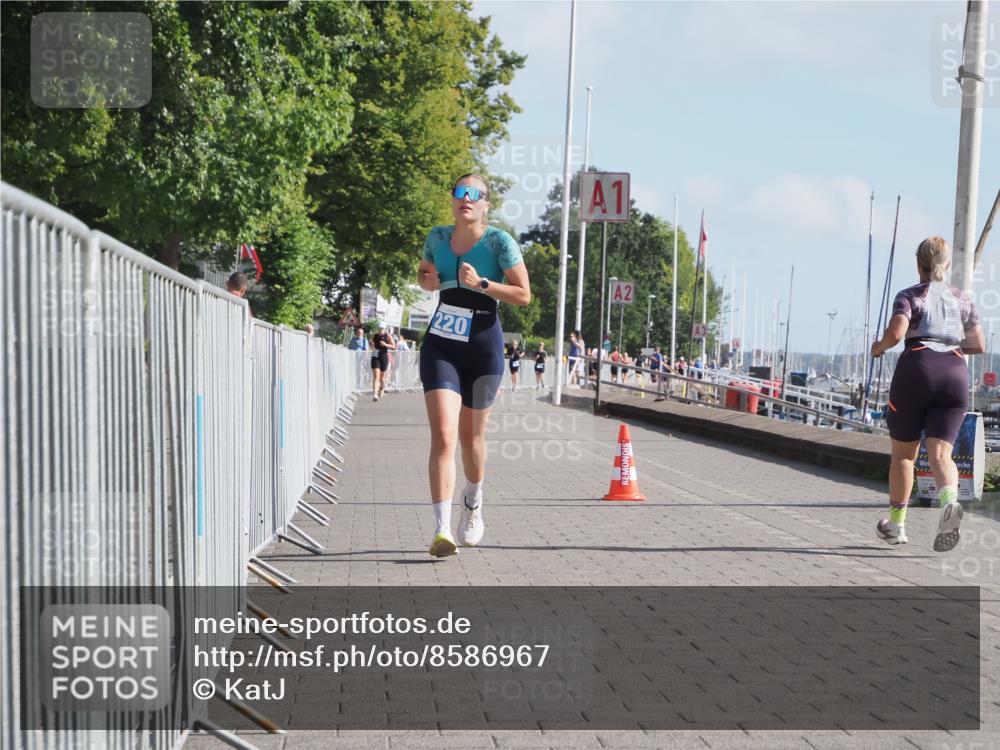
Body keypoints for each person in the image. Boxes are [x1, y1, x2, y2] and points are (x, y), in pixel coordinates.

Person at [416, 173, 531, 558]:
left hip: (483, 346)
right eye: (460, 192)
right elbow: (423, 273)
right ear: (453, 200)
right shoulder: (436, 237)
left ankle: (473, 500)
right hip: (442, 344)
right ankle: (441, 529)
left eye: (474, 194)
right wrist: (428, 281)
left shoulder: (499, 242)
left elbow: (524, 295)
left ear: (485, 204)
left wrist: (482, 284)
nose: (466, 198)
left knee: (472, 439)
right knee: (443, 435)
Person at [870, 236, 984, 551]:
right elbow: (978, 344)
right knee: (942, 456)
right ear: (946, 264)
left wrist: (879, 348)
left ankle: (896, 526)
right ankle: (949, 502)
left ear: (918, 264)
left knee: (904, 456)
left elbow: (896, 333)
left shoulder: (909, 296)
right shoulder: (962, 299)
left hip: (917, 369)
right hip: (955, 373)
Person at [370, 323, 395, 401]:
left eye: (382, 328)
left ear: (384, 329)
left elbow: (394, 346)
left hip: (384, 356)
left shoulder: (388, 336)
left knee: (382, 377)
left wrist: (385, 345)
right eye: (380, 328)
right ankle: (375, 394)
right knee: (376, 376)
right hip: (375, 356)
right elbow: (371, 344)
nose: (381, 330)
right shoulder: (375, 335)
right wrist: (371, 345)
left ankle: (382, 389)